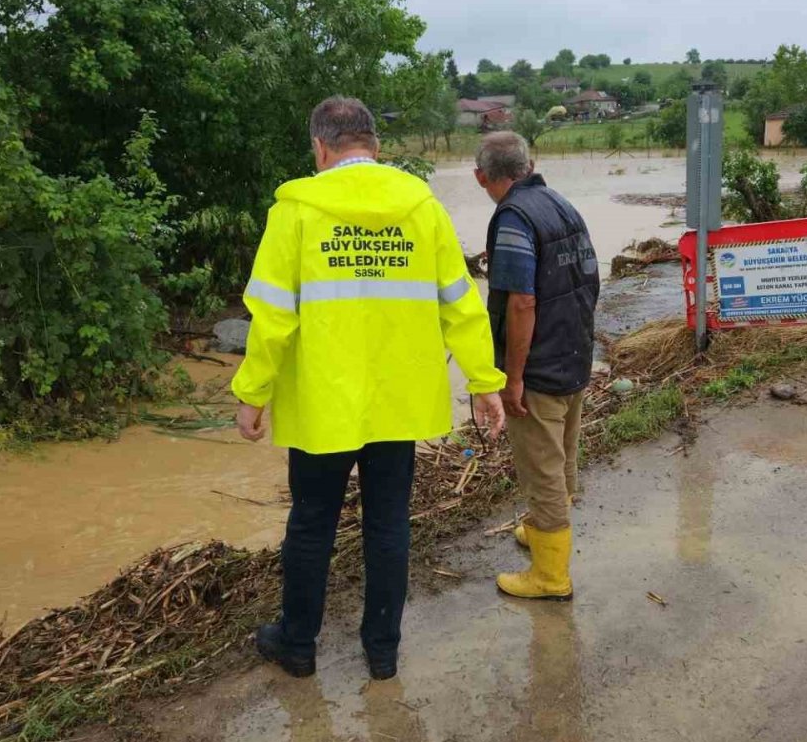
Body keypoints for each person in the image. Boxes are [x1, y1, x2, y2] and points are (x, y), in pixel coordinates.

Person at [233, 97, 505, 681]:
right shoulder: (422, 209)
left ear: (320, 148)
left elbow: (273, 315)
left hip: (323, 404)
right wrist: (485, 383)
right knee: (388, 524)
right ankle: (382, 650)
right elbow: (460, 304)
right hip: (397, 401)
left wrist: (252, 393)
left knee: (311, 523)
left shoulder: (296, 212)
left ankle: (298, 645)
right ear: (376, 148)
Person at [474, 133, 599, 601]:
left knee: (542, 466)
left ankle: (550, 576)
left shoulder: (512, 217)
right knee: (563, 452)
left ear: (481, 177)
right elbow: (588, 275)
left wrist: (513, 376)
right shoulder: (559, 203)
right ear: (531, 165)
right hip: (574, 351)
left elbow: (522, 302)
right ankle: (544, 530)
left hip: (540, 366)